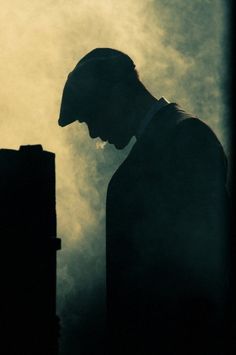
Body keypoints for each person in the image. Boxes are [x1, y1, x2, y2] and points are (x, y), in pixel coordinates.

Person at [58, 48, 230, 354]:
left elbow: (203, 270)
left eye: (92, 115)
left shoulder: (185, 139)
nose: (94, 132)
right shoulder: (177, 136)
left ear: (118, 93)